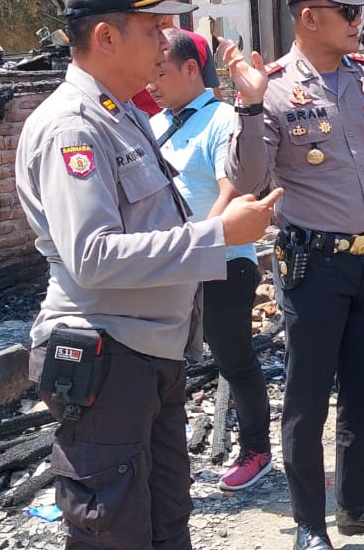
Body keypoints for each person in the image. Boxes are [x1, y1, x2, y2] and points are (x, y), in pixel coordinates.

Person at [15, 0, 281, 550]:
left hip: (149, 351)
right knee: (112, 529)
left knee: (166, 519)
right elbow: (93, 256)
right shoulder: (73, 128)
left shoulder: (124, 114)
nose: (165, 42)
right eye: (153, 28)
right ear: (106, 37)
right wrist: (217, 237)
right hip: (107, 353)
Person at [222, 0, 364, 550]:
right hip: (313, 268)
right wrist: (246, 108)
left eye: (358, 12)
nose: (359, 22)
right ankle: (308, 524)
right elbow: (246, 181)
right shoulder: (266, 90)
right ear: (308, 16)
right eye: (347, 13)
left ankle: (355, 503)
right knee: (307, 397)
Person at [146, 27, 274, 492]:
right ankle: (165, 455)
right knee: (164, 362)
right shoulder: (156, 124)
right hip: (170, 265)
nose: (151, 84)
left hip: (222, 262)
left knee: (233, 360)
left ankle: (256, 452)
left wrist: (200, 242)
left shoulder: (221, 119)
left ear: (189, 68)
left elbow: (232, 188)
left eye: (159, 72)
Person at [128, 0, 187, 116]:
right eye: (153, 0)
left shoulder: (194, 42)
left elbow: (210, 94)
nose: (161, 6)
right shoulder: (132, 49)